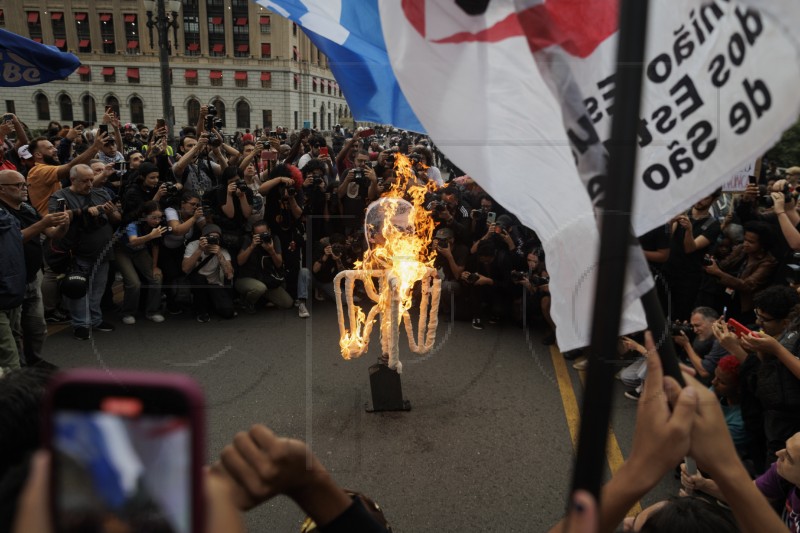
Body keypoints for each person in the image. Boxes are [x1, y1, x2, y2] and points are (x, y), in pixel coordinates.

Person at [0, 170, 68, 368]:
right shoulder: (3, 213)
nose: (24, 189)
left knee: (37, 327)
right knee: (13, 333)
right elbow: (14, 238)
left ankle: (34, 361)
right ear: (2, 189)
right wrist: (43, 224)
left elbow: (52, 234)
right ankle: (18, 371)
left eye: (25, 185)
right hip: (10, 281)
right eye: (18, 185)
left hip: (32, 276)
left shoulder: (28, 209)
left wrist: (62, 225)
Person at [48, 164, 120, 340]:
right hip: (78, 253)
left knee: (97, 290)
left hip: (103, 252)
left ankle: (95, 319)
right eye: (85, 181)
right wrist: (83, 212)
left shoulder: (100, 193)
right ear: (73, 180)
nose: (89, 184)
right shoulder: (61, 196)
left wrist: (111, 213)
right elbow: (57, 218)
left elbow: (118, 218)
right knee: (79, 290)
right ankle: (80, 324)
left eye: (91, 180)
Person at [703, 220, 778, 324]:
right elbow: (724, 264)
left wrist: (719, 273)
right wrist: (712, 262)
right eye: (745, 240)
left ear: (763, 244)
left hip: (744, 305)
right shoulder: (741, 249)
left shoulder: (768, 262)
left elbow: (748, 285)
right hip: (724, 296)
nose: (746, 244)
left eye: (751, 242)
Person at [116, 201, 167, 325]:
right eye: (153, 217)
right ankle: (128, 312)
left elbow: (156, 246)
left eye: (159, 217)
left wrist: (154, 267)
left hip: (140, 251)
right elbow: (133, 241)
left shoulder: (156, 226)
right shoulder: (132, 224)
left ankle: (153, 311)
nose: (157, 221)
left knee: (156, 277)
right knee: (134, 283)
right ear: (144, 215)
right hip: (123, 250)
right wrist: (150, 236)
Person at [181, 224, 236, 322]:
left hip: (213, 284)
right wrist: (199, 250)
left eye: (216, 238)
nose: (213, 240)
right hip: (197, 283)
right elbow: (185, 269)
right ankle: (201, 311)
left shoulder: (222, 250)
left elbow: (230, 275)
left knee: (228, 312)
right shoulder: (193, 246)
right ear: (203, 237)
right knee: (199, 279)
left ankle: (210, 303)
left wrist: (219, 255)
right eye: (210, 237)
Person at [235, 223, 294, 313]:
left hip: (266, 279)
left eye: (264, 233)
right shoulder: (248, 239)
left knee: (287, 303)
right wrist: (252, 246)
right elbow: (240, 261)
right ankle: (246, 302)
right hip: (247, 278)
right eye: (258, 235)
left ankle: (260, 300)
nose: (262, 236)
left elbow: (279, 264)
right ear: (253, 235)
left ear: (269, 231)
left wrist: (271, 251)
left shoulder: (274, 239)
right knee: (259, 288)